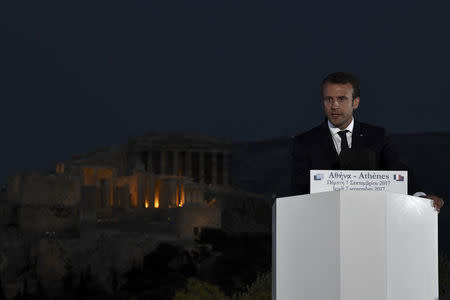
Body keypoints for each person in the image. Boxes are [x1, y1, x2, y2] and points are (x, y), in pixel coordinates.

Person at [291, 72, 444, 212]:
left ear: (355, 102)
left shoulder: (377, 136)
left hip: (371, 218)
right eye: (329, 99)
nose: (334, 106)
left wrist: (420, 196)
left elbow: (397, 170)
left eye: (341, 99)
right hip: (324, 220)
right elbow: (298, 191)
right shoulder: (305, 142)